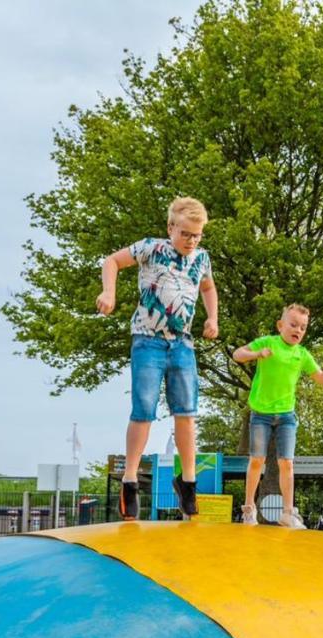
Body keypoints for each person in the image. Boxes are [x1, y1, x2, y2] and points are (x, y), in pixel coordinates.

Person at [96, 197, 219, 520]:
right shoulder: (151, 248)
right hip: (148, 341)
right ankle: (130, 480)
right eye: (186, 234)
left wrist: (212, 318)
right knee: (144, 411)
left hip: (182, 344)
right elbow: (111, 261)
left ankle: (188, 482)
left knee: (187, 413)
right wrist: (110, 292)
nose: (191, 241)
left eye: (197, 235)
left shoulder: (202, 259)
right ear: (171, 228)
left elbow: (208, 288)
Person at [233, 304, 323, 528]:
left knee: (287, 463)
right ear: (280, 325)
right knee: (257, 460)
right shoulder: (268, 342)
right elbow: (238, 354)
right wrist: (257, 354)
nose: (298, 330)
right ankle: (248, 509)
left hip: (286, 416)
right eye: (293, 324)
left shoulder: (302, 354)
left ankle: (287, 513)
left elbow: (321, 379)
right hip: (261, 414)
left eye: (303, 327)